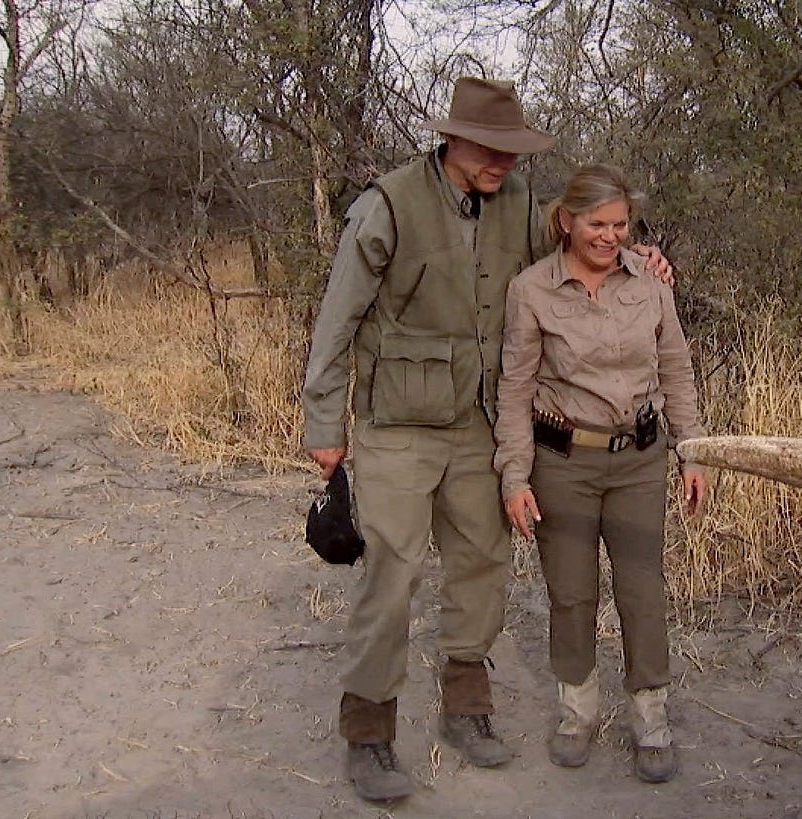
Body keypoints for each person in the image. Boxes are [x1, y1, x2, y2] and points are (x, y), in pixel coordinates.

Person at [301, 78, 673, 803]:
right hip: (398, 425)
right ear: (452, 140)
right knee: (392, 573)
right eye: (491, 148)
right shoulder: (388, 205)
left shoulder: (523, 207)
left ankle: (467, 708)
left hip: (480, 422)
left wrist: (642, 259)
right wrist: (325, 422)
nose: (504, 161)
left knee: (482, 563)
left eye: (514, 149)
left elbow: (585, 244)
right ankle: (370, 732)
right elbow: (337, 317)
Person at [493, 163, 709, 784]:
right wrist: (515, 476)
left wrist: (691, 451)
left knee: (642, 589)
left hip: (639, 459)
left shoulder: (649, 282)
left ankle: (651, 717)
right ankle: (577, 712)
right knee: (571, 591)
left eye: (620, 225)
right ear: (566, 220)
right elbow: (515, 390)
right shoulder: (531, 291)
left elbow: (675, 371)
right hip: (563, 463)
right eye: (597, 223)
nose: (610, 236)